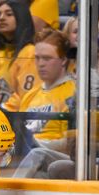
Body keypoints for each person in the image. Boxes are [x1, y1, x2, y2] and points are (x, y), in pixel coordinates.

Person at [8, 27, 76, 177]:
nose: (40, 64)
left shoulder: (74, 92)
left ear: (64, 60)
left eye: (47, 58)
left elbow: (71, 144)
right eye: (37, 58)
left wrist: (36, 144)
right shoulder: (30, 95)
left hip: (55, 162)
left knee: (37, 157)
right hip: (27, 160)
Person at [0, 0, 37, 106]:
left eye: (9, 14)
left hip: (19, 117)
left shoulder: (30, 52)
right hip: (0, 115)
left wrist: (2, 109)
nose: (1, 18)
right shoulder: (2, 54)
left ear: (21, 18)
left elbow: (26, 96)